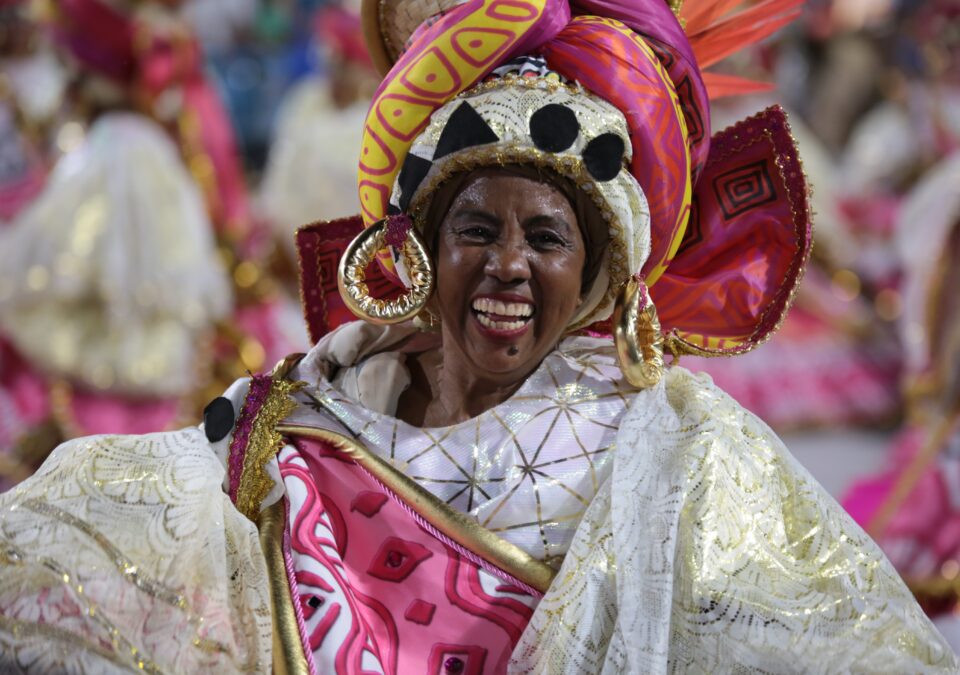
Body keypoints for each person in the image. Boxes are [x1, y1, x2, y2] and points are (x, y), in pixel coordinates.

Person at [0, 0, 955, 672]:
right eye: (475, 228)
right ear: (418, 248)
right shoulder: (293, 418)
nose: (508, 265)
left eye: (547, 238)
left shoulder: (680, 452)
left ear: (597, 275)